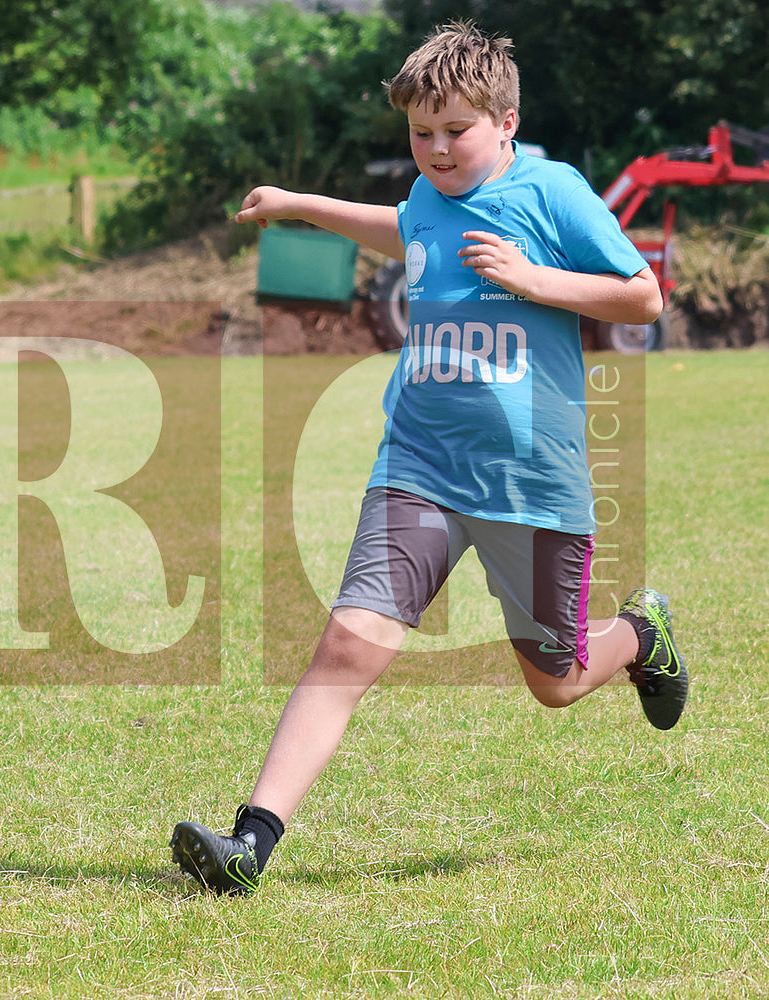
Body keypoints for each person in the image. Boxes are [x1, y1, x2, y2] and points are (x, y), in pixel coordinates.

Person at [172, 22, 688, 896]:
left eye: (456, 130)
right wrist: (299, 204)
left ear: (506, 120)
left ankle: (641, 635)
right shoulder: (426, 193)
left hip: (530, 482)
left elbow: (643, 294)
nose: (438, 148)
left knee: (555, 684)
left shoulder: (552, 192)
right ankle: (250, 845)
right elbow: (406, 229)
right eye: (421, 131)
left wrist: (532, 281)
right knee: (347, 647)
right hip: (419, 465)